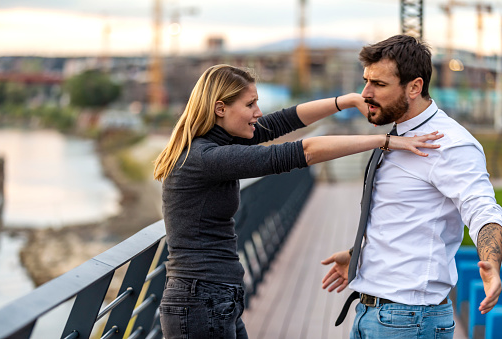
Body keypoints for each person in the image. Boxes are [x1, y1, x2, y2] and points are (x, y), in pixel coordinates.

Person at [153, 64, 442, 339]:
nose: (258, 112)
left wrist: (349, 100)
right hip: (199, 300)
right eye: (250, 104)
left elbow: (285, 120)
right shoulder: (205, 157)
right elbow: (302, 151)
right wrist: (383, 141)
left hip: (215, 297)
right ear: (220, 108)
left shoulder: (218, 144)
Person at [321, 34, 502, 339]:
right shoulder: (395, 136)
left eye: (378, 84)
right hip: (372, 312)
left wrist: (492, 262)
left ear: (414, 87)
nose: (365, 93)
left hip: (409, 320)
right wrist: (360, 255)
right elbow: (402, 219)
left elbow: (483, 209)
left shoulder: (450, 144)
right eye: (366, 80)